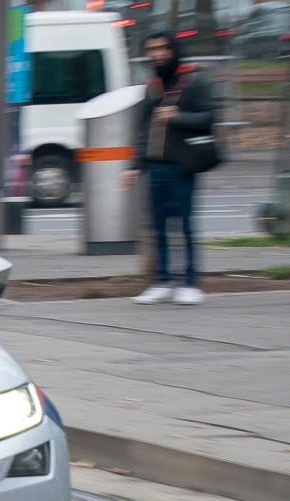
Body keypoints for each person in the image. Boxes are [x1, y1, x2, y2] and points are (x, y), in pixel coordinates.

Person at [123, 32, 216, 306]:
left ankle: (190, 283)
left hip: (183, 165)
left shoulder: (195, 81)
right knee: (158, 228)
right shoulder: (152, 86)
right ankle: (161, 282)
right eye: (151, 49)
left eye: (162, 48)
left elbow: (208, 117)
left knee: (185, 226)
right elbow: (142, 129)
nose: (156, 54)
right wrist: (134, 166)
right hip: (156, 166)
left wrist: (178, 116)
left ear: (173, 50)